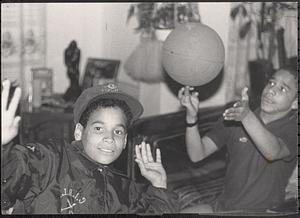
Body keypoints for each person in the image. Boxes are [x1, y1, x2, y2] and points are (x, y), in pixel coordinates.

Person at [1, 80, 179, 214]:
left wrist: (159, 185)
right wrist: (3, 146)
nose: (109, 138)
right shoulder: (52, 159)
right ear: (79, 132)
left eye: (117, 132)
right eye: (99, 128)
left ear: (125, 141)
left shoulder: (125, 188)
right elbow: (15, 171)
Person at [178, 67, 297, 213]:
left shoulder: (293, 129)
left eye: (283, 89)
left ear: (295, 103)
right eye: (271, 83)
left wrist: (247, 117)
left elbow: (273, 152)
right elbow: (197, 154)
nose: (271, 90)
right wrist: (191, 118)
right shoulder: (236, 116)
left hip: (262, 213)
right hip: (223, 208)